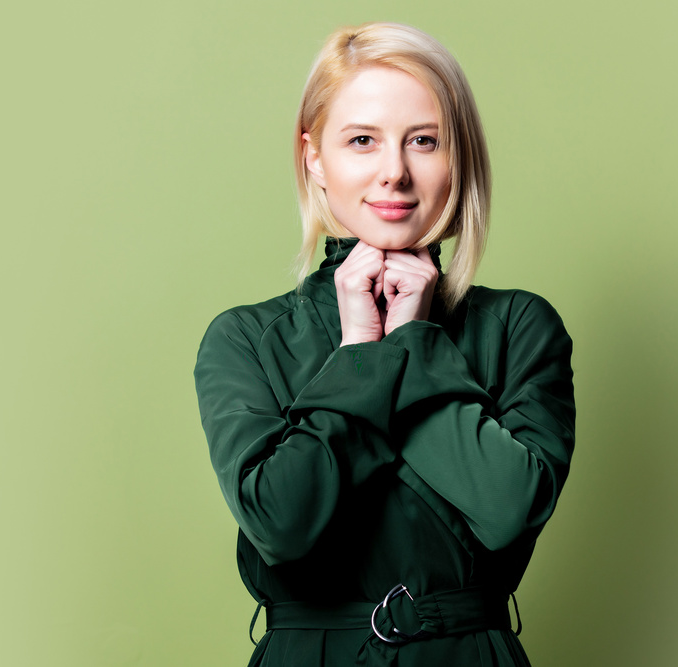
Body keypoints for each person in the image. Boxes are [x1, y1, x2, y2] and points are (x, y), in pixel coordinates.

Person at [194, 22, 575, 667]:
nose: (394, 172)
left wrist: (414, 341)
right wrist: (362, 353)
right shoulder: (247, 340)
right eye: (362, 140)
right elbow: (281, 524)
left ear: (460, 158)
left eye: (423, 141)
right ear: (314, 155)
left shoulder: (518, 328)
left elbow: (507, 509)